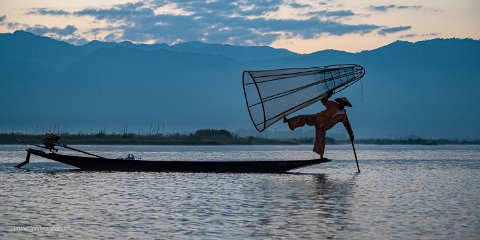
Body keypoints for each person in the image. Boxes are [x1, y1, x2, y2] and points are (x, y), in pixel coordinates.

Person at [284, 91, 354, 159]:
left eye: (343, 104)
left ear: (345, 105)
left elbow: (347, 125)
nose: (342, 104)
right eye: (341, 102)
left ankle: (321, 156)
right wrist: (328, 95)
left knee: (321, 140)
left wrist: (351, 134)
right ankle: (289, 121)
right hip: (318, 118)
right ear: (339, 102)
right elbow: (323, 100)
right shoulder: (332, 104)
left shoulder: (343, 115)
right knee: (304, 117)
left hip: (324, 127)